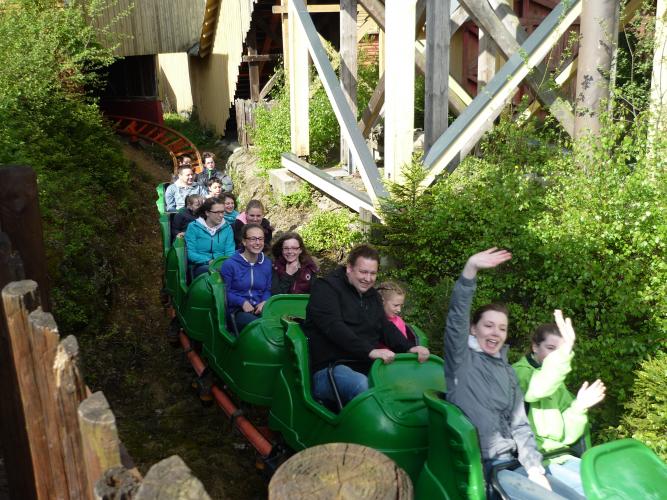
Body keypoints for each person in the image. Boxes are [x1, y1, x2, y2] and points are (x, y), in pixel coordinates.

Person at [444, 248, 583, 500]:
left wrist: (535, 469)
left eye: (502, 328)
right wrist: (470, 270)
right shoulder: (461, 360)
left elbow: (520, 425)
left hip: (511, 463)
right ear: (473, 329)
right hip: (482, 467)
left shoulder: (508, 373)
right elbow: (456, 317)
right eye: (488, 325)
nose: (495, 333)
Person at [303, 244, 430, 407]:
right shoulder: (326, 288)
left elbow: (384, 326)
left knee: (409, 385)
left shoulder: (372, 296)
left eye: (373, 273)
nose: (368, 279)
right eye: (363, 272)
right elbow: (334, 327)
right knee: (362, 386)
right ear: (349, 268)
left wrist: (409, 347)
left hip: (367, 366)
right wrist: (369, 351)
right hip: (330, 368)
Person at [513, 312, 606, 497]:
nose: (556, 354)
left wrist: (579, 407)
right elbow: (539, 388)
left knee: (608, 485)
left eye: (560, 349)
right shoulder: (519, 373)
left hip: (561, 457)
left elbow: (567, 436)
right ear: (534, 347)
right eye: (550, 348)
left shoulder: (557, 384)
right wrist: (565, 351)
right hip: (535, 461)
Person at [220, 224, 272, 332]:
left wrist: (265, 301)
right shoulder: (230, 264)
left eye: (260, 239)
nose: (257, 242)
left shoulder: (267, 263)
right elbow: (223, 292)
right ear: (244, 241)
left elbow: (267, 289)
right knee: (259, 327)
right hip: (237, 311)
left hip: (259, 308)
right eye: (253, 239)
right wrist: (242, 302)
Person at [184, 197, 235, 277]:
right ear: (207, 213)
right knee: (212, 271)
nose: (221, 215)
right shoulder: (194, 227)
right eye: (217, 212)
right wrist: (208, 261)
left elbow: (230, 252)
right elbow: (191, 253)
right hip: (200, 265)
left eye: (222, 212)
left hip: (222, 264)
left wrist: (224, 263)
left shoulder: (227, 228)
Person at [377, 281, 418, 345]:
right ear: (382, 301)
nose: (399, 310)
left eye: (401, 305)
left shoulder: (399, 322)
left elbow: (403, 345)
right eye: (396, 305)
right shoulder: (371, 319)